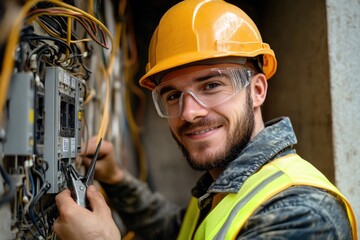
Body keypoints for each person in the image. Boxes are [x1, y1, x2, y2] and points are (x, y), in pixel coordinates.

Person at [53, 0, 357, 239]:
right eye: (173, 95)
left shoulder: (301, 214)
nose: (189, 113)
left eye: (211, 86)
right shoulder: (225, 190)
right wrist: (117, 180)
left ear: (257, 90)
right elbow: (175, 231)